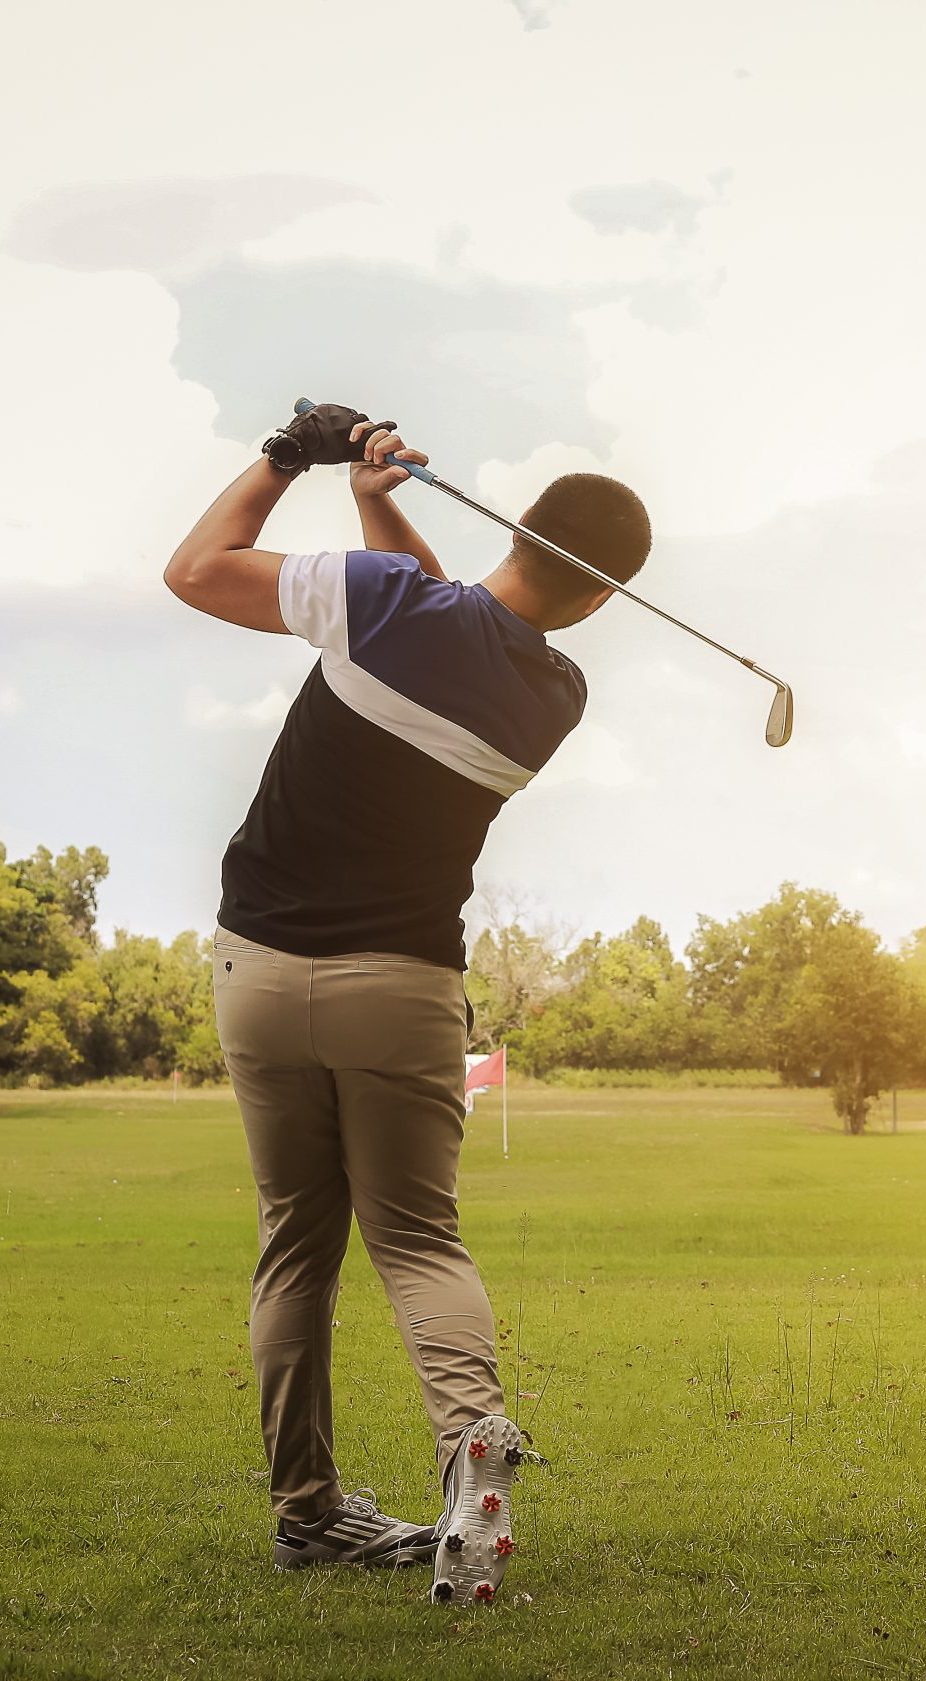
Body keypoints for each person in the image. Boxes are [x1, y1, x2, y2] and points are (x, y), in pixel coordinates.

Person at [165, 401, 651, 1605]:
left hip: (261, 977)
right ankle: (471, 1437)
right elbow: (454, 625)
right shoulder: (554, 697)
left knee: (297, 1243)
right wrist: (378, 496)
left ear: (519, 526)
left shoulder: (386, 606)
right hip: (403, 991)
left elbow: (196, 571)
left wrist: (297, 457)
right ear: (595, 598)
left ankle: (309, 1514)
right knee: (417, 1240)